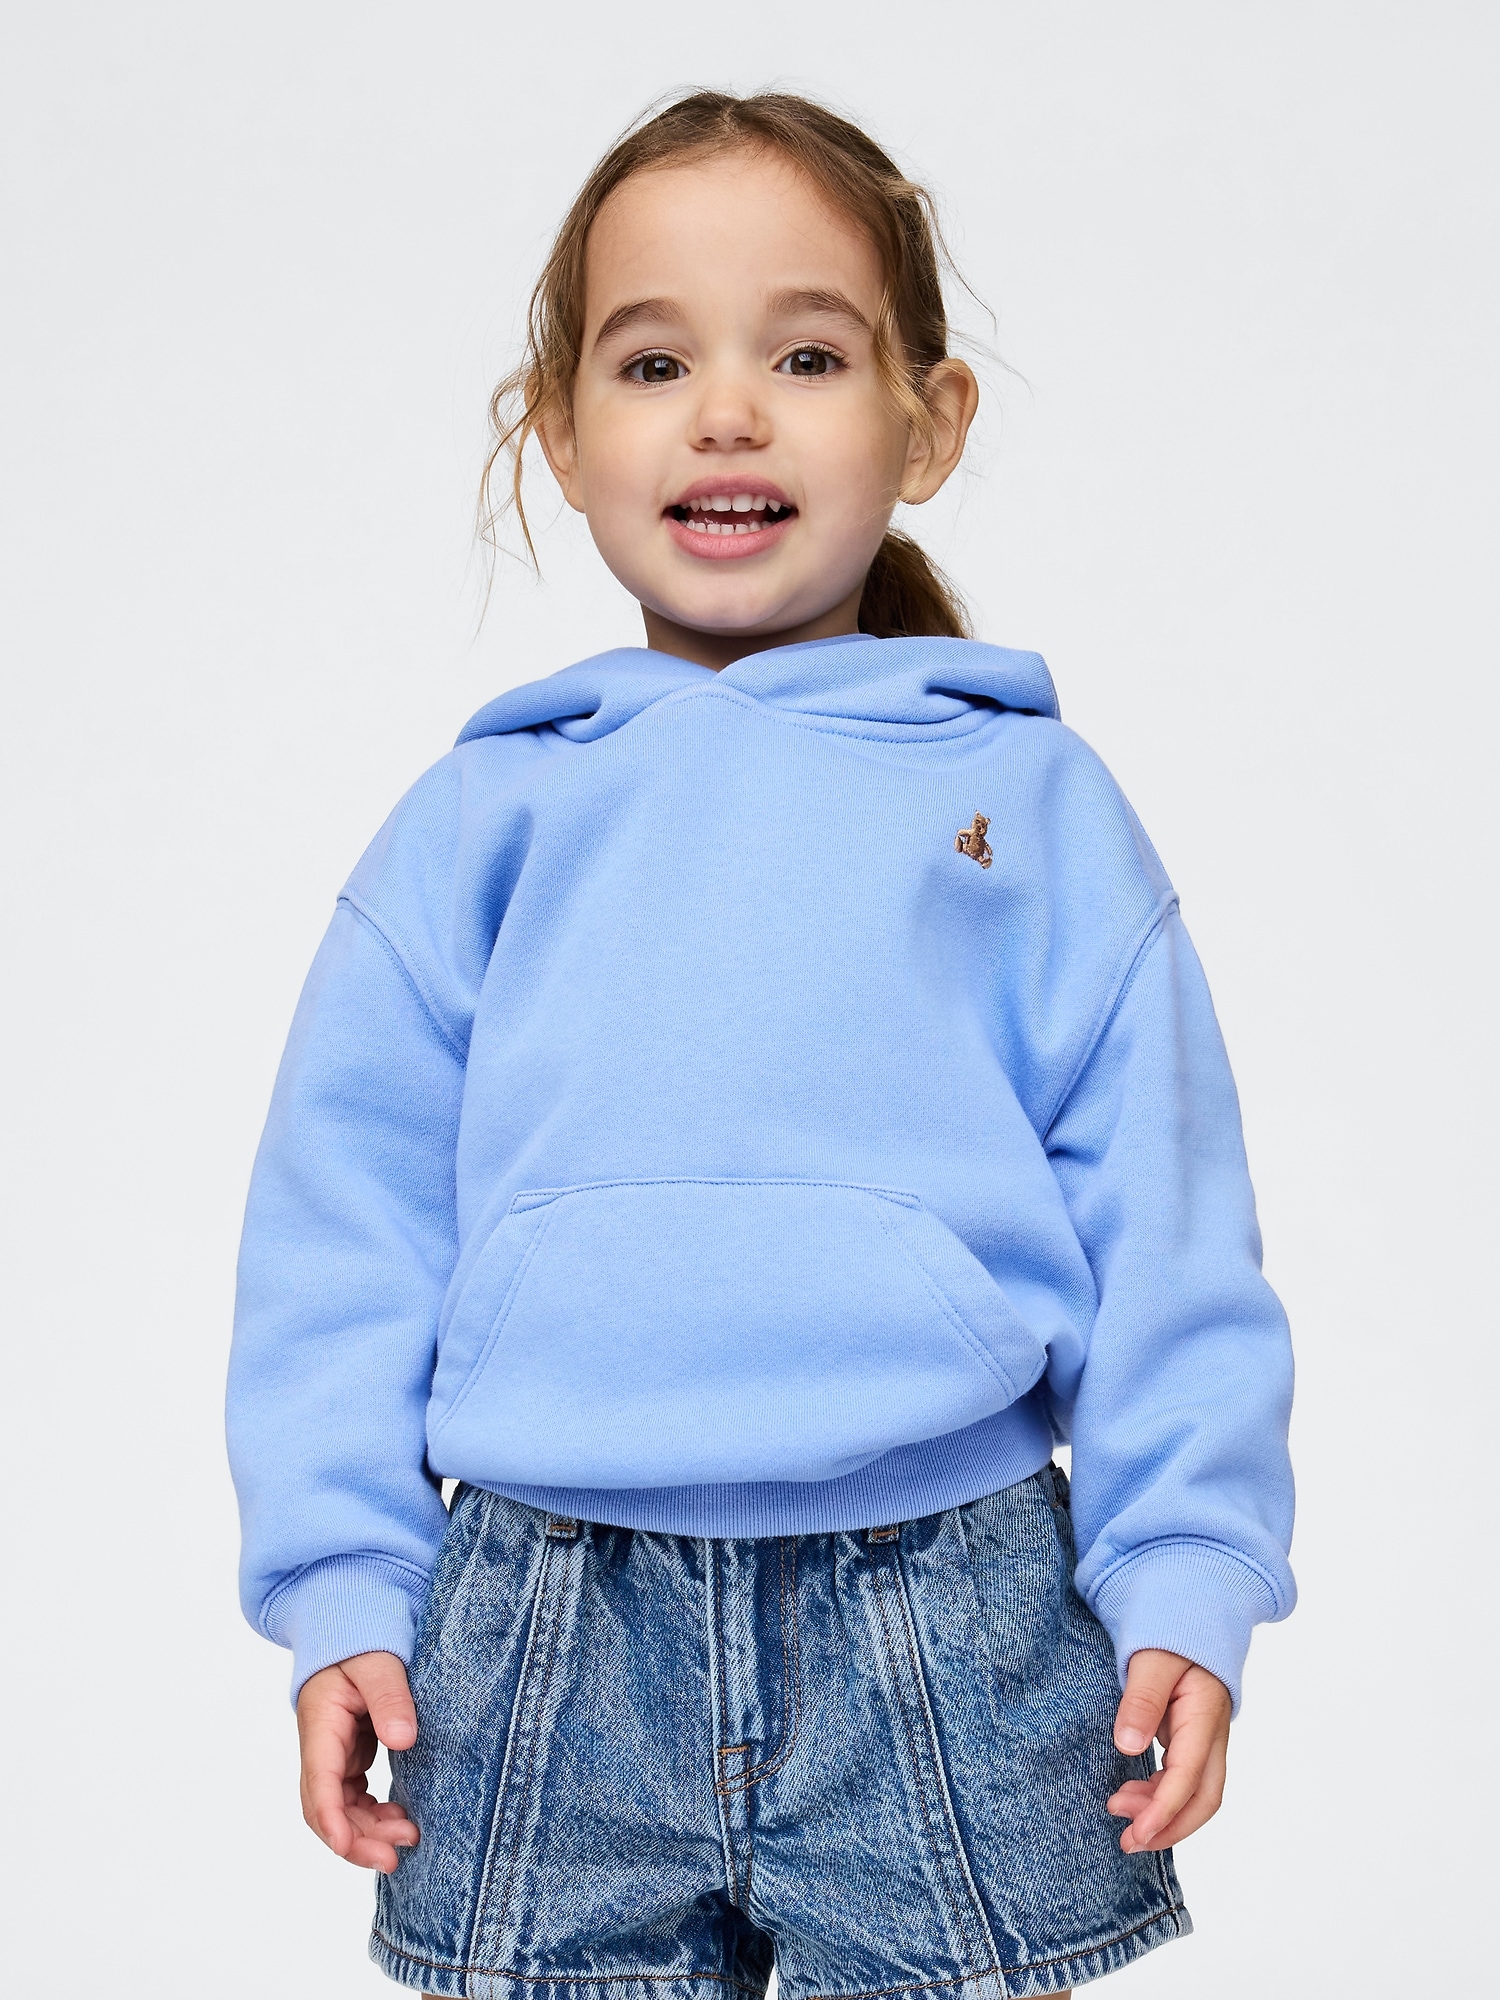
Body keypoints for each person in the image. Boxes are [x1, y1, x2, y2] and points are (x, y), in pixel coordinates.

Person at [227, 91, 1295, 2000]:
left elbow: (1168, 1225)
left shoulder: (1029, 805)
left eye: (807, 356)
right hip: (542, 1625)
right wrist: (339, 1584)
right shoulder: (482, 825)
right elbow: (343, 1236)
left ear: (929, 421)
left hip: (952, 1611)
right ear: (559, 431)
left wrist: (1189, 1566)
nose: (728, 414)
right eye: (655, 362)